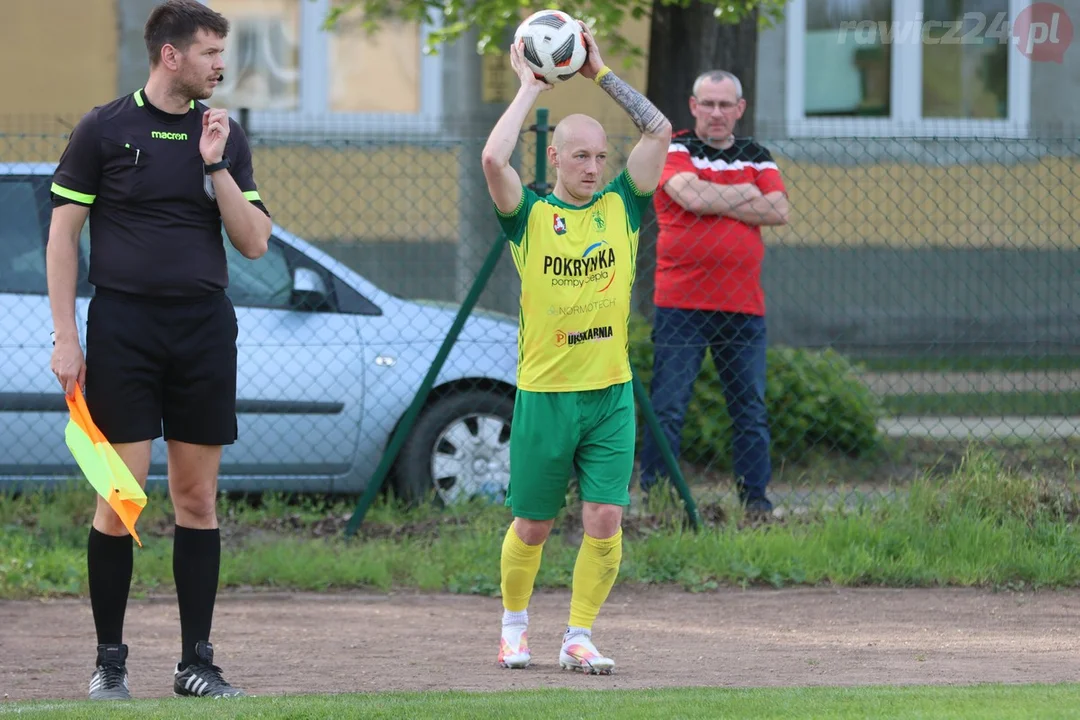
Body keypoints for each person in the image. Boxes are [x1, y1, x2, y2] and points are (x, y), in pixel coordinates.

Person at [47, 0, 271, 700]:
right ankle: (110, 663)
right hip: (124, 330)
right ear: (170, 55)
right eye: (208, 52)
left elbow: (256, 242)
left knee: (197, 499)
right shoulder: (104, 128)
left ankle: (196, 663)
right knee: (120, 500)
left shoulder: (223, 135)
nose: (220, 65)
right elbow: (62, 237)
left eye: (221, 52)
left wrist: (215, 167)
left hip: (204, 329)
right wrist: (64, 338)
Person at [480, 25, 671, 674]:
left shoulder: (624, 207)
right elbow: (492, 161)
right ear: (556, 160)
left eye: (600, 156)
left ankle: (579, 634)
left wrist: (599, 73)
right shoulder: (528, 216)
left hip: (609, 393)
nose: (594, 167)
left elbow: (659, 131)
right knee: (532, 525)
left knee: (605, 517)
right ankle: (513, 627)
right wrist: (529, 89)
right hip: (545, 396)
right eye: (580, 156)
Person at [637, 70, 789, 514]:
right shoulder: (676, 147)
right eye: (709, 104)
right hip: (681, 304)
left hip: (743, 307)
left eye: (726, 105)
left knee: (750, 412)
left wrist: (715, 192)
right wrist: (745, 194)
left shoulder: (757, 154)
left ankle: (754, 502)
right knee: (668, 407)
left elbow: (780, 210)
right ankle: (658, 499)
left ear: (740, 109)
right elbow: (690, 197)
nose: (717, 113)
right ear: (693, 105)